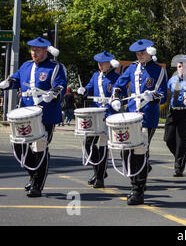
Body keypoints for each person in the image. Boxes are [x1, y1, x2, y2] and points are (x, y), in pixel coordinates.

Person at [0, 37, 66, 197]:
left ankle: (37, 185)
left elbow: (60, 85)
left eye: (37, 50)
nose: (34, 52)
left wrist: (54, 94)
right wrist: (6, 83)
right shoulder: (26, 66)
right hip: (26, 113)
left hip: (46, 115)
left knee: (40, 148)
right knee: (19, 146)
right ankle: (33, 174)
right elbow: (15, 80)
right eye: (32, 50)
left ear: (45, 51)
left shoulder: (55, 67)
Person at [110, 39, 168, 205]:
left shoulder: (159, 71)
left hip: (148, 117)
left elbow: (163, 94)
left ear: (150, 52)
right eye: (137, 54)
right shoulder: (132, 68)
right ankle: (137, 180)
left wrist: (153, 96)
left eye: (142, 53)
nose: (140, 56)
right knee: (126, 152)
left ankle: (138, 190)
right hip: (131, 117)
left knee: (139, 153)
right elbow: (118, 85)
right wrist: (115, 98)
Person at [77, 51, 120, 188]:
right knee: (88, 144)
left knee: (102, 146)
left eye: (103, 63)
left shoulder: (116, 78)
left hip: (108, 114)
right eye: (98, 63)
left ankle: (100, 177)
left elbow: (120, 92)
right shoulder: (96, 76)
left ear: (109, 63)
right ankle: (97, 171)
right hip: (95, 115)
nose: (100, 65)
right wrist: (84, 90)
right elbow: (90, 88)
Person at [165, 55, 186, 177]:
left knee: (181, 141)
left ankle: (178, 166)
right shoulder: (172, 80)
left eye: (183, 66)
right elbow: (168, 94)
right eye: (179, 66)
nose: (181, 68)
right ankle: (181, 157)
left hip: (185, 112)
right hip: (173, 111)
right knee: (168, 139)